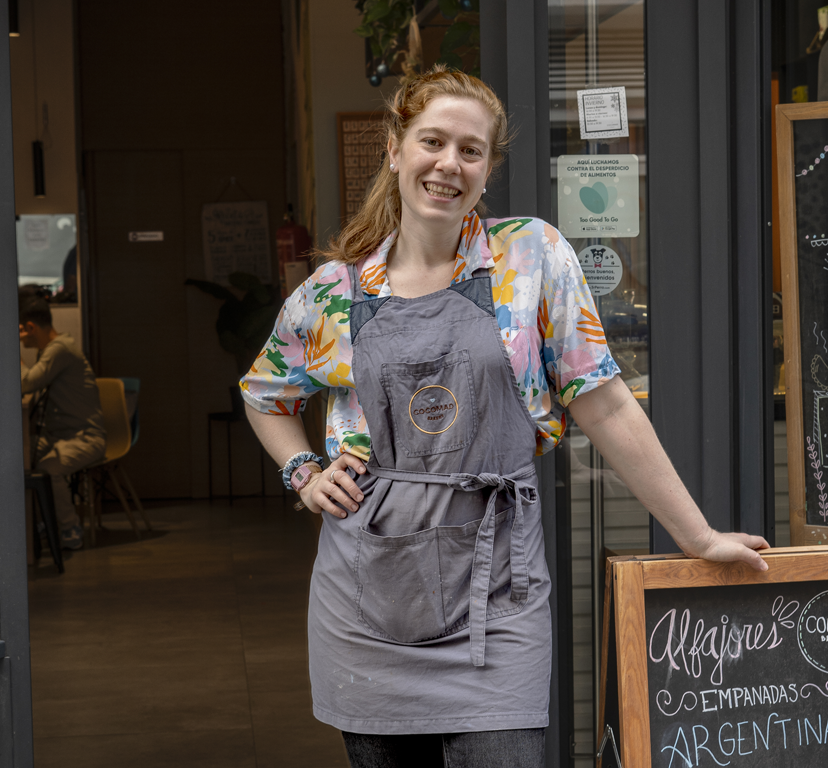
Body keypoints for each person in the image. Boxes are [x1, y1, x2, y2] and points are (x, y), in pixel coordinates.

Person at [241, 65, 768, 767]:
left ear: (488, 169)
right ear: (395, 150)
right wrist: (303, 471)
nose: (448, 165)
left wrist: (697, 537)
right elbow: (263, 392)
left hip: (497, 592)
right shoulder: (332, 294)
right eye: (432, 142)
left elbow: (605, 402)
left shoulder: (532, 257)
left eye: (470, 150)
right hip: (367, 600)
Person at [19, 294, 106, 550]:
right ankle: (44, 521)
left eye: (21, 330)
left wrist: (13, 354)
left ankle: (69, 528)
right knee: (22, 455)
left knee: (48, 470)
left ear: (30, 327)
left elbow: (27, 382)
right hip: (60, 435)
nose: (21, 336)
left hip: (85, 436)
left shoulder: (60, 349)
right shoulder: (51, 350)